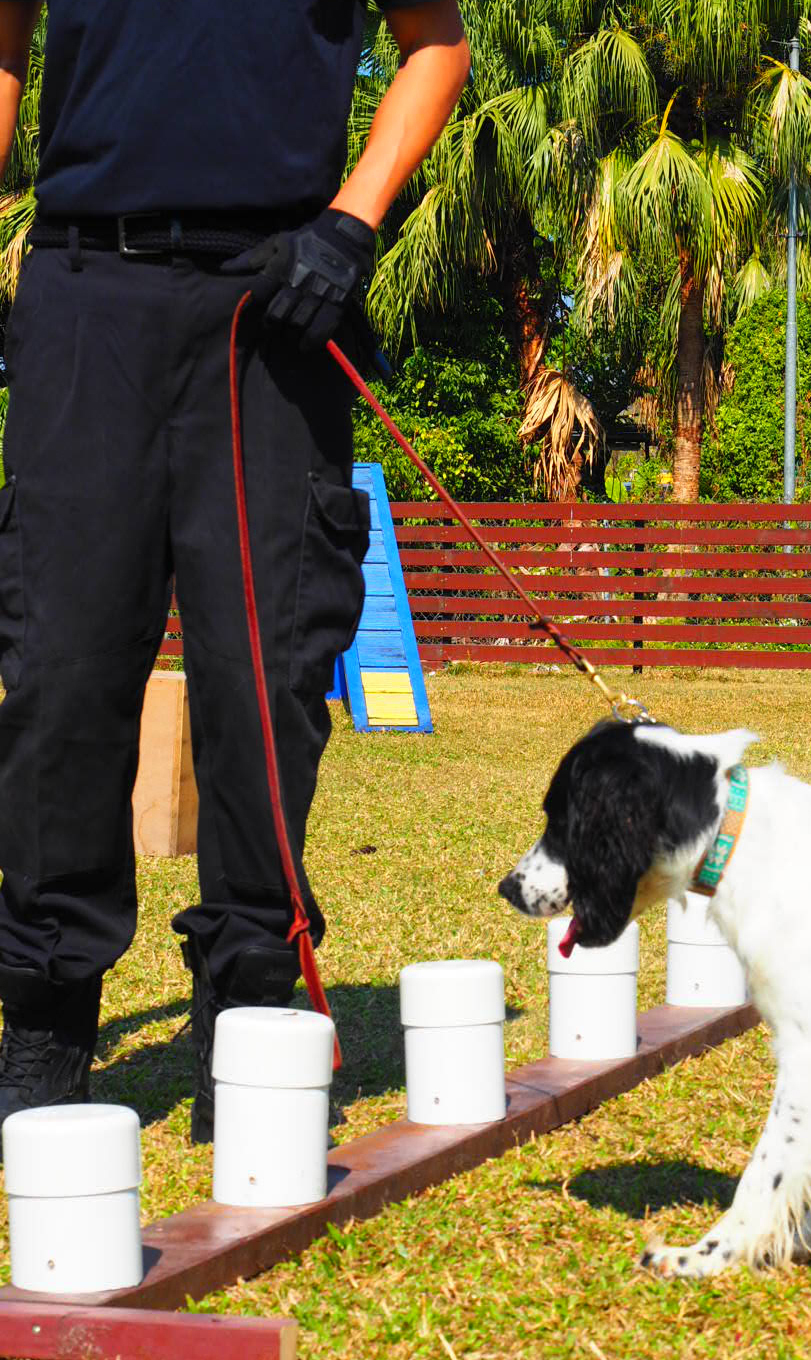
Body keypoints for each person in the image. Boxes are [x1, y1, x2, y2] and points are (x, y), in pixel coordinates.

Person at [0, 1, 469, 1145]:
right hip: (83, 292)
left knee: (268, 678)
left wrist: (351, 225)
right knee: (61, 676)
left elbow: (437, 43)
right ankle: (47, 1014)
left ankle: (250, 1004)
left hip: (276, 299)